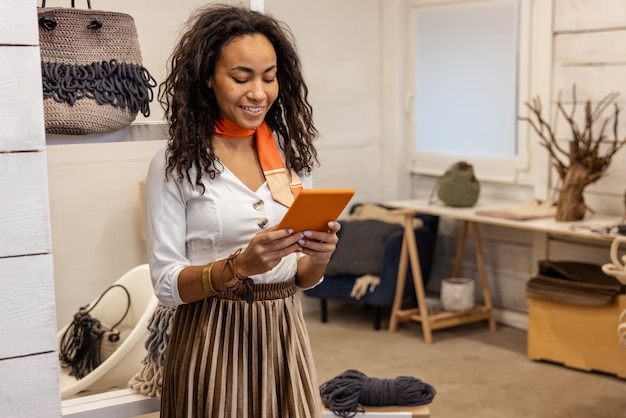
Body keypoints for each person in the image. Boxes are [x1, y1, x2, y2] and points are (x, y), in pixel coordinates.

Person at [144, 4, 339, 417]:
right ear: (208, 79)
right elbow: (166, 284)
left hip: (284, 330)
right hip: (210, 333)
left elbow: (303, 277)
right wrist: (237, 266)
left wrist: (320, 257)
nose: (259, 93)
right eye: (241, 77)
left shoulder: (291, 158)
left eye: (269, 77)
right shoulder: (176, 164)